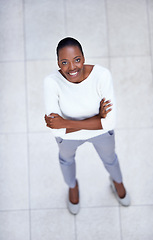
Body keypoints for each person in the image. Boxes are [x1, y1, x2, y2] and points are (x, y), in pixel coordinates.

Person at [44, 37, 130, 214]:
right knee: (66, 161)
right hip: (68, 138)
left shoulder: (102, 76)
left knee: (110, 158)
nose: (72, 67)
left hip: (94, 134)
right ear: (58, 63)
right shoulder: (51, 82)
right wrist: (98, 118)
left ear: (84, 58)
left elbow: (110, 123)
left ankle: (117, 181)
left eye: (76, 60)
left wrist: (65, 122)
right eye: (64, 62)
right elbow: (56, 128)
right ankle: (72, 186)